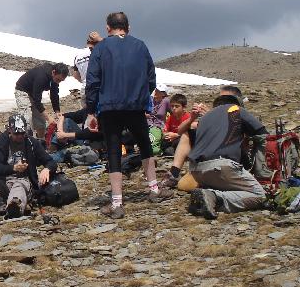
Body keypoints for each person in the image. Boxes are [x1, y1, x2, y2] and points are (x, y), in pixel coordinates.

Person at [85, 11, 169, 219]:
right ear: (128, 27)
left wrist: (90, 110)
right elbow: (151, 77)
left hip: (109, 107)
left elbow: (93, 80)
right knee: (145, 145)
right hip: (135, 106)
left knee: (113, 150)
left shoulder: (100, 48)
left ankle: (117, 202)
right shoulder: (140, 46)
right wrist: (141, 97)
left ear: (107, 28)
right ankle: (154, 189)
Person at [187, 91, 268, 220]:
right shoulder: (235, 109)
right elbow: (263, 134)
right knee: (260, 195)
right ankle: (216, 197)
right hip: (221, 166)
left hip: (196, 170)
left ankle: (207, 197)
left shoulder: (204, 119)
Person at [0, 114, 57, 218]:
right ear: (9, 130)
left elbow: (51, 161)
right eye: (16, 133)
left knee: (19, 184)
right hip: (3, 182)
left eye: (22, 133)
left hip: (24, 182)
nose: (20, 136)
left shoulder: (32, 143)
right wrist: (13, 168)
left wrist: (47, 169)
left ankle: (14, 205)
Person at [160, 85, 240, 189]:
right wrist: (193, 118)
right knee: (183, 185)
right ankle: (174, 173)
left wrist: (211, 115)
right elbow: (181, 130)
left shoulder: (239, 116)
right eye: (220, 100)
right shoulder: (215, 114)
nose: (222, 103)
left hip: (227, 163)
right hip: (208, 162)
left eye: (226, 100)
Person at [15, 62, 68, 138]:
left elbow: (54, 95)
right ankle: (26, 142)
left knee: (40, 121)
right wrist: (48, 118)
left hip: (33, 93)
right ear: (53, 72)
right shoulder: (41, 76)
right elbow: (37, 100)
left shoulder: (54, 78)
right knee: (27, 118)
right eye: (58, 79)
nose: (58, 82)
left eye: (61, 81)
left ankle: (42, 141)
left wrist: (57, 111)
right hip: (22, 90)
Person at [72, 32, 102, 105]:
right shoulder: (96, 51)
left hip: (84, 88)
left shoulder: (77, 56)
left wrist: (83, 80)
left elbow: (75, 75)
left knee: (86, 113)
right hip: (97, 87)